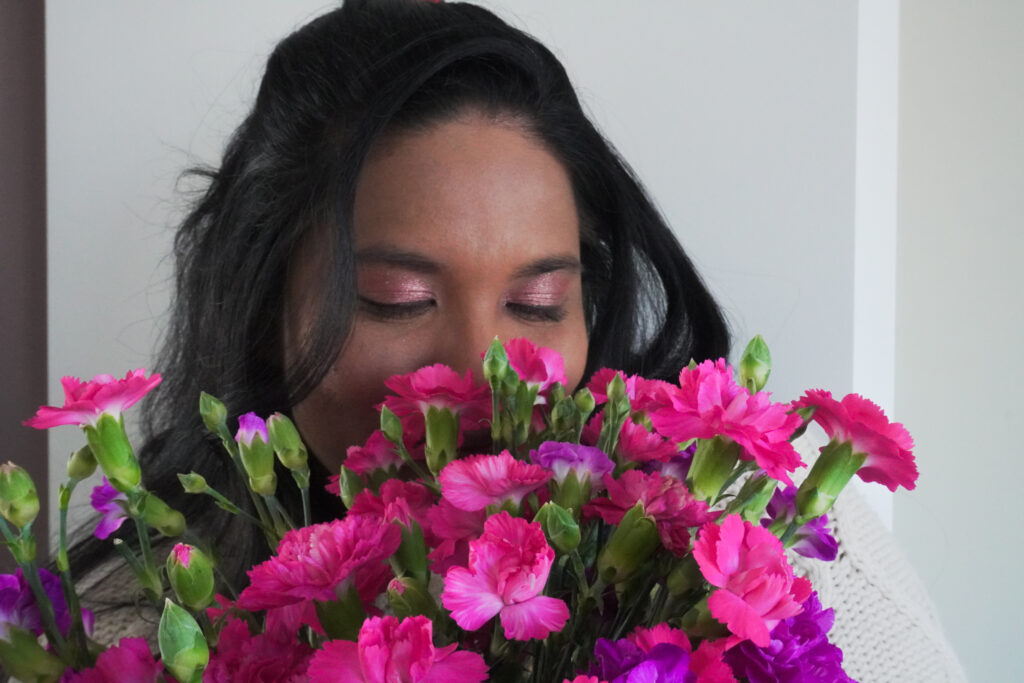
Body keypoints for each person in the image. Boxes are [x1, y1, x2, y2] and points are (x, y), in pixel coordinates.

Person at [70, 2, 965, 680]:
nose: (479, 370)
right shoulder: (124, 625)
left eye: (538, 303)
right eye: (397, 298)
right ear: (266, 305)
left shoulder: (778, 545)